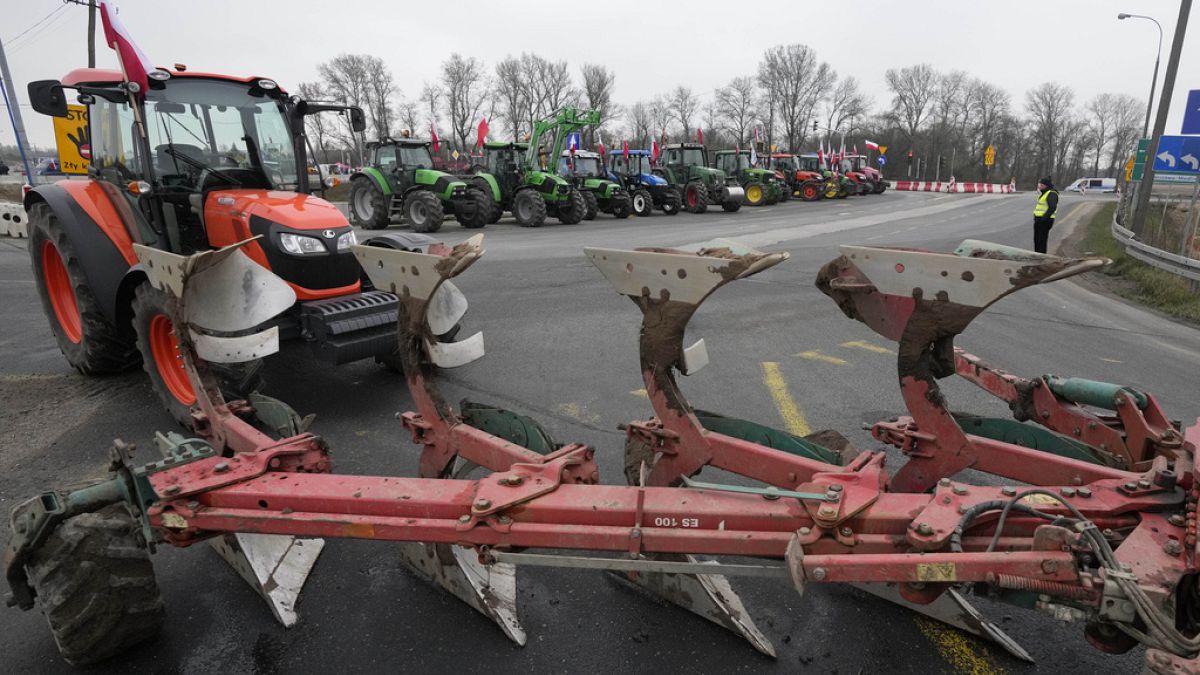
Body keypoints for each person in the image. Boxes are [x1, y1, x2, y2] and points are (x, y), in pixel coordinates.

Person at [1032, 176, 1058, 253]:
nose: (1040, 186)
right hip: (1039, 220)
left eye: (1041, 185)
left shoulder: (1052, 194)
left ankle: (1041, 258)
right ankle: (1037, 256)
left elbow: (1052, 207)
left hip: (1045, 221)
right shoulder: (1045, 193)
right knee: (1037, 240)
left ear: (1046, 186)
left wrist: (1044, 218)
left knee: (1041, 241)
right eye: (1040, 185)